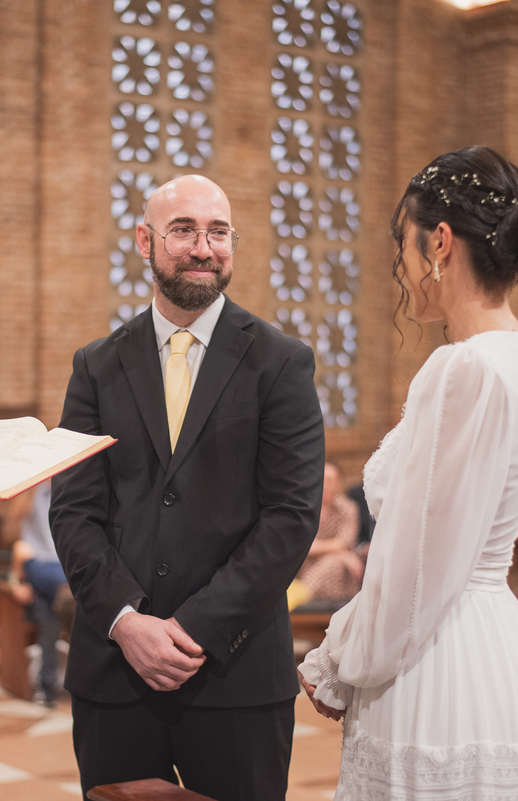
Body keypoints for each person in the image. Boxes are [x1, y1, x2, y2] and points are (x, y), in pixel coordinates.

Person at [50, 174, 326, 800]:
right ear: (145, 241)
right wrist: (127, 621)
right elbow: (74, 513)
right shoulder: (96, 365)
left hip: (235, 673)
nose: (204, 247)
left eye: (218, 232)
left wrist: (193, 629)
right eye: (183, 231)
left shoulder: (281, 362)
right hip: (116, 674)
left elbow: (290, 516)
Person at [299, 146, 518, 799]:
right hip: (495, 651)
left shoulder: (463, 369)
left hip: (435, 665)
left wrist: (336, 662)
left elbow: (415, 570)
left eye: (404, 246)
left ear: (440, 242)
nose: (400, 267)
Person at [7, 479, 71, 706]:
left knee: (49, 630)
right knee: (55, 620)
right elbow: (19, 545)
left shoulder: (70, 491)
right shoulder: (34, 492)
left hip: (59, 571)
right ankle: (69, 601)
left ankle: (46, 689)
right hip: (42, 566)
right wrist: (16, 582)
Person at [295, 462, 364, 602]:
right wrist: (342, 555)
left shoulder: (348, 508)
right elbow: (299, 546)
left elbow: (344, 543)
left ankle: (302, 594)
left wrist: (334, 553)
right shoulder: (304, 509)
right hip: (305, 565)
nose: (328, 485)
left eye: (332, 480)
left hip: (339, 571)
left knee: (333, 563)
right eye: (325, 480)